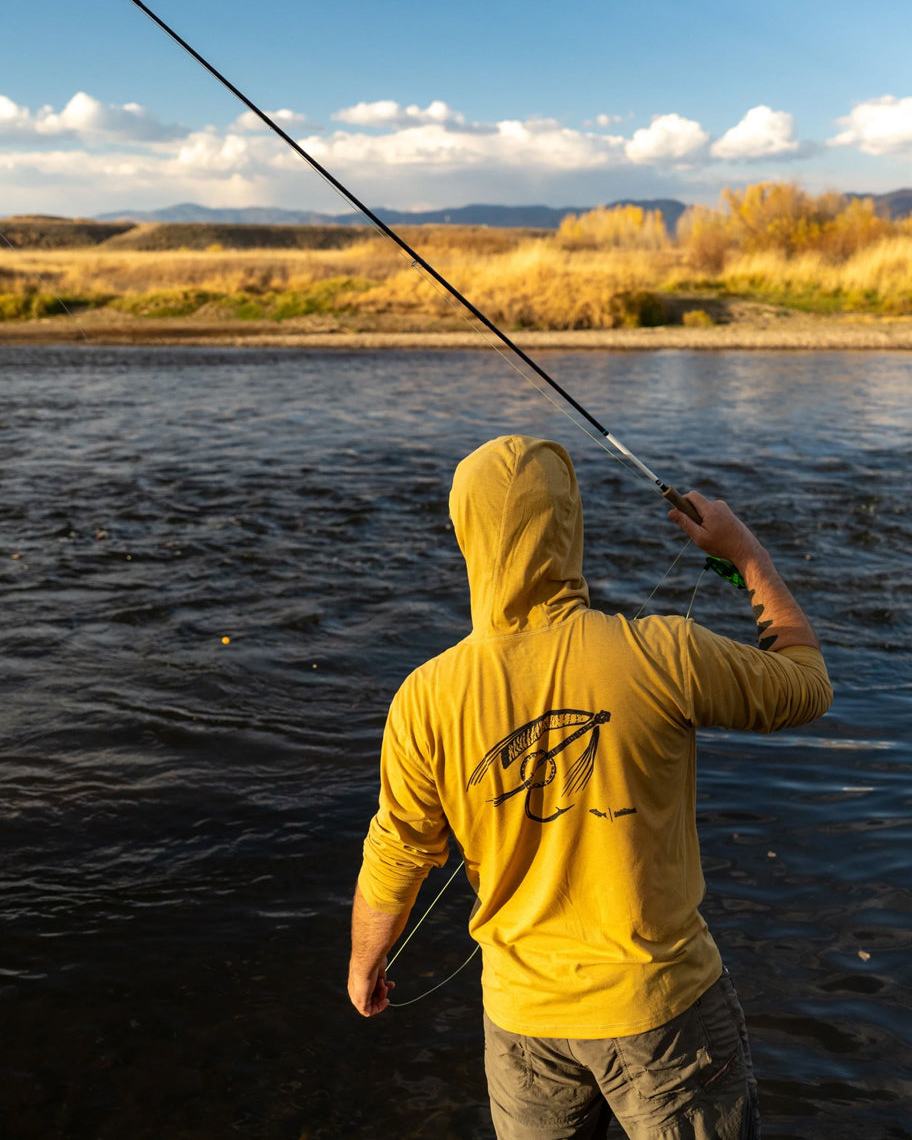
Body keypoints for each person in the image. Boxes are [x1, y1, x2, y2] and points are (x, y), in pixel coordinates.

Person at [348, 435, 832, 1139]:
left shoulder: (423, 698)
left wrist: (366, 961)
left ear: (466, 533)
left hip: (522, 1026)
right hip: (666, 1012)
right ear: (570, 526)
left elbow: (397, 851)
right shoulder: (662, 651)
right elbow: (808, 685)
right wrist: (745, 554)